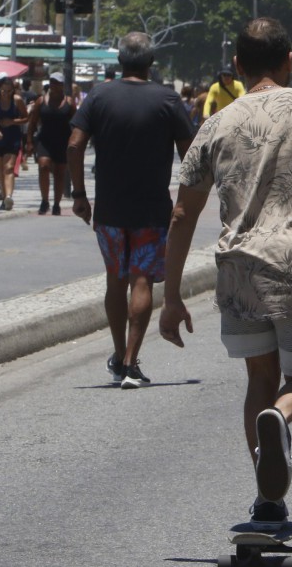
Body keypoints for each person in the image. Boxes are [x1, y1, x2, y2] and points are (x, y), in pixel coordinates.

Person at [158, 17, 292, 529]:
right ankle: (284, 415)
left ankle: (268, 499)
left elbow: (182, 213)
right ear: (289, 60)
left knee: (259, 377)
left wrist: (171, 296)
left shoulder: (216, 123)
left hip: (240, 269)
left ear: (237, 66)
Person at [69, 32, 195, 389]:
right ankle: (130, 363)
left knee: (115, 281)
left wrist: (78, 193)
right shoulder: (167, 100)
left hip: (109, 209)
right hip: (151, 210)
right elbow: (191, 155)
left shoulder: (98, 96)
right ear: (151, 62)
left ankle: (118, 353)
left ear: (120, 60)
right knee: (141, 280)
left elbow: (74, 144)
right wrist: (189, 198)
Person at [26, 72, 76, 215]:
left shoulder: (69, 103)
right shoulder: (41, 101)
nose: (55, 85)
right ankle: (44, 200)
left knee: (60, 173)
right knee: (43, 166)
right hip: (45, 140)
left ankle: (56, 203)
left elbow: (77, 124)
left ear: (62, 85)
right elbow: (32, 122)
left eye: (58, 83)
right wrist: (29, 141)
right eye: (53, 82)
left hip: (63, 141)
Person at [0, 72, 27, 210]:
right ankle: (3, 196)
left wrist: (12, 122)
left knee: (9, 168)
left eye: (9, 91)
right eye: (3, 90)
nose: (6, 93)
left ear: (13, 90)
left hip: (12, 137)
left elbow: (26, 118)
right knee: (0, 168)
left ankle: (9, 196)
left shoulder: (17, 100)